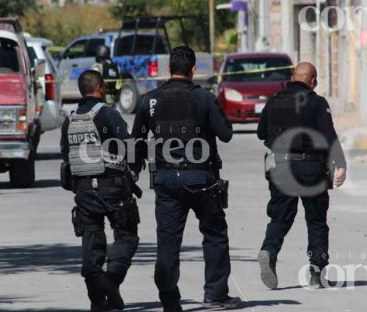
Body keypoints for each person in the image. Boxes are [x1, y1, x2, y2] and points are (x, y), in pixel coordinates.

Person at [132, 46, 241, 311]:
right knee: (215, 234)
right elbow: (226, 134)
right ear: (193, 70)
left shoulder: (150, 100)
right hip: (200, 178)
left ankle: (170, 300)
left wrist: (132, 174)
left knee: (168, 242)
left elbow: (135, 141)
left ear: (169, 68)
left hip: (166, 181)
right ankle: (215, 295)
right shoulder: (203, 98)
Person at [256, 62, 347, 290]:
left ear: (292, 77)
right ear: (313, 81)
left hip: (281, 168)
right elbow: (329, 136)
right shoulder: (317, 102)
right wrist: (341, 164)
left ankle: (269, 251)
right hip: (311, 169)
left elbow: (260, 133)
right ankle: (317, 274)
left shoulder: (274, 100)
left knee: (279, 218)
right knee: (316, 221)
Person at [60, 70, 140, 311]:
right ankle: (110, 282)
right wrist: (134, 169)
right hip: (112, 189)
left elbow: (66, 155)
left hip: (84, 192)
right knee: (127, 236)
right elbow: (129, 147)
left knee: (91, 243)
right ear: (100, 89)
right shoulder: (108, 114)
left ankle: (98, 301)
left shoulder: (70, 119)